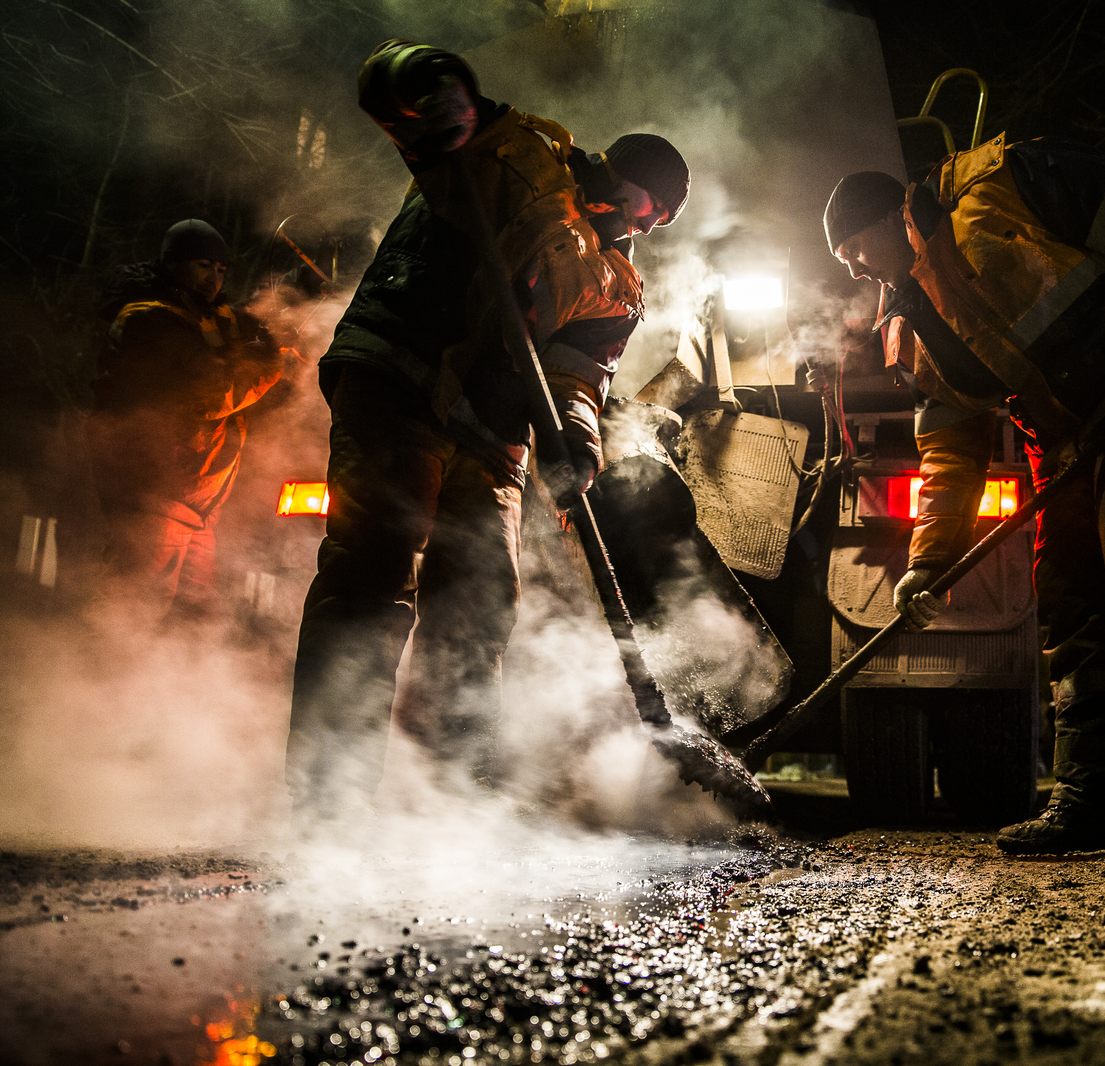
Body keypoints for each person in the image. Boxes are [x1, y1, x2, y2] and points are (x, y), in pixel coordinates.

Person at [823, 136, 1105, 851]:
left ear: (882, 219)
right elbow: (951, 444)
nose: (849, 267)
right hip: (1064, 445)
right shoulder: (908, 324)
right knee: (1070, 598)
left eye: (849, 248)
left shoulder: (998, 186)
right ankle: (1098, 793)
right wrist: (929, 563)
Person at [284, 39, 690, 826]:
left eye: (656, 221)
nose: (644, 224)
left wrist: (576, 437)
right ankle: (325, 798)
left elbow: (580, 375)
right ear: (627, 177)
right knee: (372, 572)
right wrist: (429, 81)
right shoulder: (516, 159)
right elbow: (387, 87)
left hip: (491, 435)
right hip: (401, 385)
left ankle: (446, 802)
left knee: (479, 602)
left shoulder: (618, 282)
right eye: (648, 207)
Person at [89, 219, 284, 629]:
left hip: (199, 506)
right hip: (154, 497)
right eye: (202, 265)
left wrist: (275, 331)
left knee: (192, 626)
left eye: (222, 269)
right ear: (172, 263)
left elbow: (243, 345)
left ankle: (158, 693)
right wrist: (269, 364)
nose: (214, 278)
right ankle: (98, 688)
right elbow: (208, 397)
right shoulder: (148, 319)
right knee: (132, 616)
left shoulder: (209, 318)